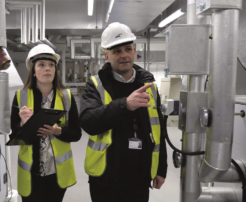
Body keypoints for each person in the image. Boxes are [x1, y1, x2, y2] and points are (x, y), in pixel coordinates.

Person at [81, 22, 167, 202]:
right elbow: (89, 122)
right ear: (107, 56)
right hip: (106, 178)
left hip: (140, 176)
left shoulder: (148, 85)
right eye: (117, 51)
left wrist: (160, 169)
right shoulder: (95, 85)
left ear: (134, 51)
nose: (124, 55)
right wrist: (124, 105)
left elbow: (159, 130)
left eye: (128, 49)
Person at [10, 44, 81, 202]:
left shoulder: (66, 97)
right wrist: (22, 124)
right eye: (41, 65)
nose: (47, 68)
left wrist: (57, 131)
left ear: (55, 70)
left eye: (51, 65)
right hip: (30, 173)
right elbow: (13, 135)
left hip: (56, 173)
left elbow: (76, 134)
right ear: (33, 71)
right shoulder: (21, 97)